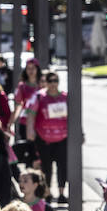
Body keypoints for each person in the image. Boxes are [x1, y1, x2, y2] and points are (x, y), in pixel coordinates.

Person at [29, 69, 68, 203]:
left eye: (55, 81)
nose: (53, 84)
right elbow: (31, 114)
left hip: (62, 138)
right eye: (50, 81)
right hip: (44, 139)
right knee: (46, 167)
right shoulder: (40, 96)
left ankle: (62, 193)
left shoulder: (65, 97)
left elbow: (73, 117)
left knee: (62, 166)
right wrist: (30, 130)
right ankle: (48, 192)